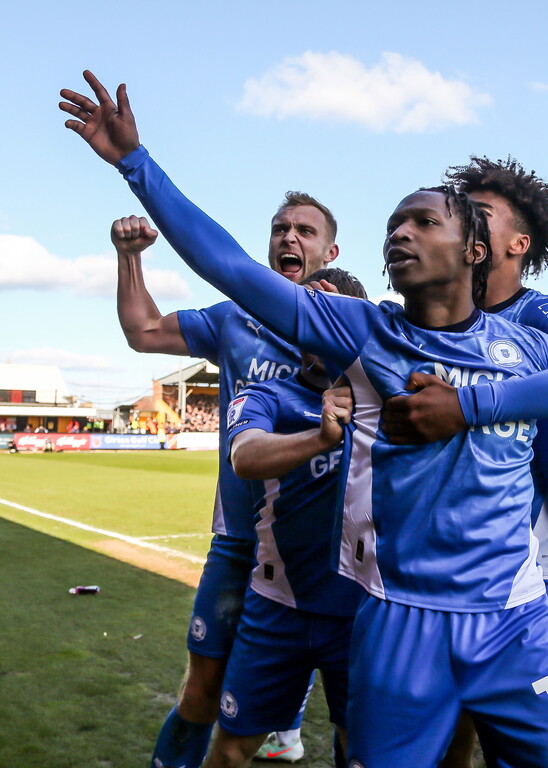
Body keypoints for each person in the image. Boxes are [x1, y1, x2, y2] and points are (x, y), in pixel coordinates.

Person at [61, 70, 548, 768]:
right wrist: (135, 165)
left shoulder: (530, 345)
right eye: (394, 225)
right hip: (399, 620)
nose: (400, 233)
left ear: (474, 251)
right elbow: (228, 264)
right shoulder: (362, 332)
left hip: (516, 618)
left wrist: (467, 405)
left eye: (424, 221)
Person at [398, 156, 548, 768]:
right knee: (446, 746)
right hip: (441, 588)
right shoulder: (421, 319)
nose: (463, 225)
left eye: (479, 215)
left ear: (516, 244)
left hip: (541, 582)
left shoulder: (545, 320)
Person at [108, 198, 338, 765]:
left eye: (305, 230)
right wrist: (130, 258)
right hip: (240, 545)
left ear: (330, 252)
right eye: (280, 228)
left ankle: (286, 723)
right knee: (201, 694)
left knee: (364, 715)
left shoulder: (351, 322)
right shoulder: (236, 319)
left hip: (333, 555)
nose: (290, 238)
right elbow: (143, 331)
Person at [205, 268, 368, 768]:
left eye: (327, 316)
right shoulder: (265, 396)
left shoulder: (390, 400)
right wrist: (320, 438)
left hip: (364, 613)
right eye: (304, 318)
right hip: (277, 605)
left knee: (361, 751)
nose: (311, 332)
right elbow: (245, 456)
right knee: (232, 748)